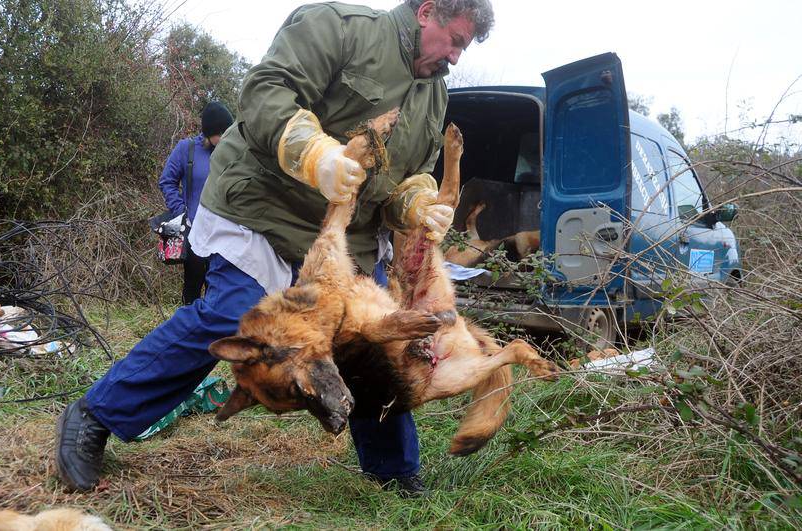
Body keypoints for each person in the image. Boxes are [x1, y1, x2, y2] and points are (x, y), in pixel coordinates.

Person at [56, 0, 494, 497]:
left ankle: (393, 471)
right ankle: (95, 415)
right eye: (455, 40)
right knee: (235, 317)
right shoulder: (338, 27)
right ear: (427, 12)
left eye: (464, 47)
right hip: (263, 212)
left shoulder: (434, 94)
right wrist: (316, 155)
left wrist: (416, 205)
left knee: (372, 345)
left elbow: (405, 180)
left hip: (340, 237)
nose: (456, 57)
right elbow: (266, 96)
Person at [158, 101, 234, 305]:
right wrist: (181, 212)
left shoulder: (233, 153)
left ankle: (211, 334)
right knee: (191, 291)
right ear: (210, 133)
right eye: (222, 133)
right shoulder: (187, 149)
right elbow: (167, 181)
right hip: (194, 235)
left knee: (217, 294)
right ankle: (187, 331)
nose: (227, 138)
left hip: (224, 236)